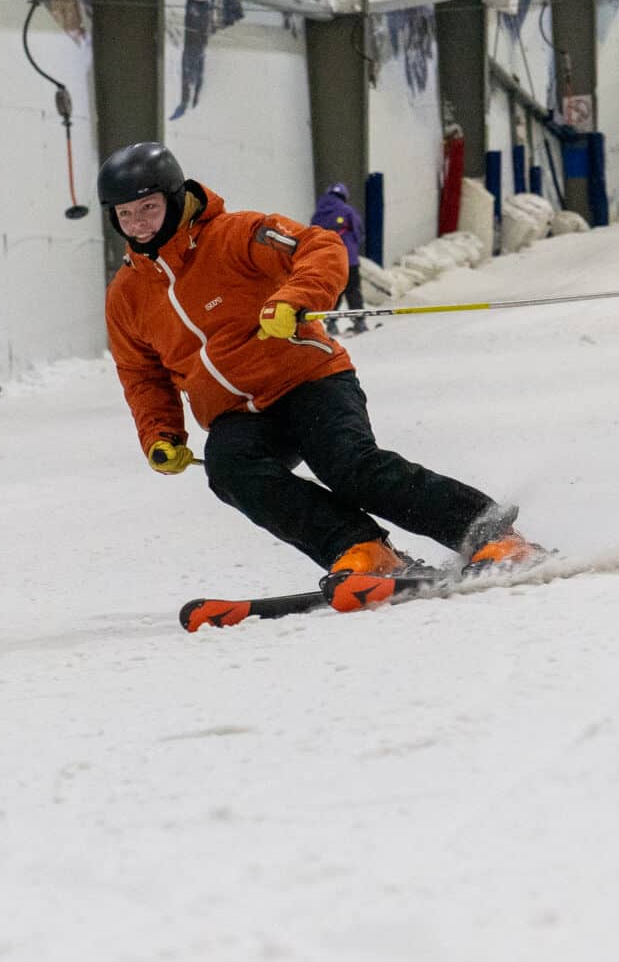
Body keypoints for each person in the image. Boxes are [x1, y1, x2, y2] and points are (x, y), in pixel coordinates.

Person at [99, 141, 540, 610]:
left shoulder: (237, 234)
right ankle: (364, 550)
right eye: (125, 215)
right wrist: (160, 434)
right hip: (236, 412)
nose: (139, 224)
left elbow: (319, 245)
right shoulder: (127, 295)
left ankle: (496, 537)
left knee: (346, 464)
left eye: (148, 208)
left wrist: (294, 297)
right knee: (230, 470)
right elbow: (141, 373)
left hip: (309, 378)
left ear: (175, 196)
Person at [310, 181, 368, 335]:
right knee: (353, 290)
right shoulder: (347, 211)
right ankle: (359, 322)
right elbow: (359, 233)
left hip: (327, 261)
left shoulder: (318, 213)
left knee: (333, 292)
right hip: (348, 260)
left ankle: (331, 324)